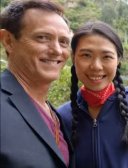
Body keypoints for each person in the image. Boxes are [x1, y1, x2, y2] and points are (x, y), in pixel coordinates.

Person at [58, 21, 128, 168]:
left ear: (118, 60)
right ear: (73, 58)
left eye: (106, 57)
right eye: (86, 55)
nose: (96, 66)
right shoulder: (62, 116)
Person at [0, 0, 73, 167]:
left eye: (63, 42)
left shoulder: (56, 116)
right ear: (9, 41)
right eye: (42, 37)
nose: (56, 50)